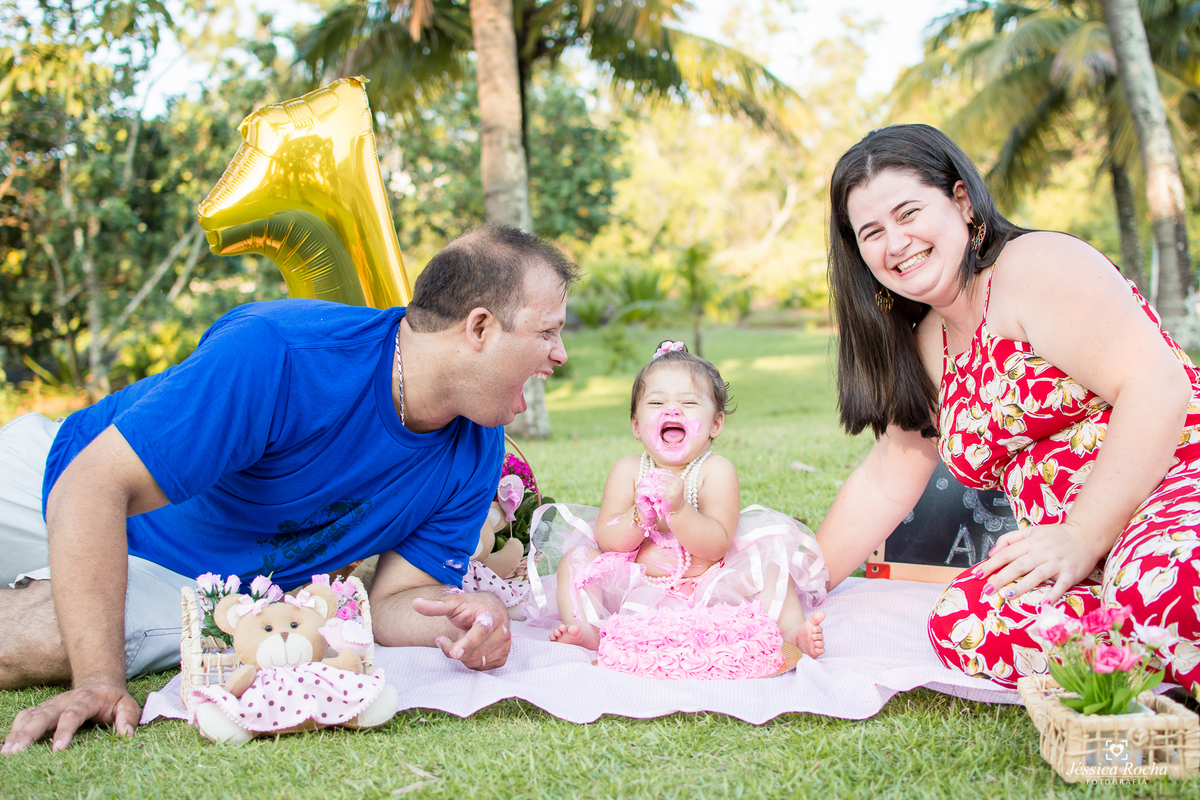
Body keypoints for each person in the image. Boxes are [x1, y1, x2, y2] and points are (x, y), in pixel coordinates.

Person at [0, 223, 577, 753]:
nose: (560, 354)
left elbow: (394, 604)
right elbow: (92, 485)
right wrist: (98, 683)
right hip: (52, 476)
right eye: (547, 332)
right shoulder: (282, 351)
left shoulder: (476, 449)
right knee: (91, 650)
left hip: (183, 579)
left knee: (60, 639)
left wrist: (464, 618)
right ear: (478, 327)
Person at [817, 123, 1200, 691]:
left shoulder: (1035, 266)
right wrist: (797, 584)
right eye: (870, 232)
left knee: (1165, 581)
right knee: (966, 621)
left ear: (962, 202)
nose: (894, 243)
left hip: (1169, 490)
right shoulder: (927, 347)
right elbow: (885, 481)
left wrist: (1082, 535)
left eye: (908, 213)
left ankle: (1153, 624)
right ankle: (1152, 648)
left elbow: (1159, 387)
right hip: (1075, 555)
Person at [547, 342, 827, 658]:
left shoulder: (715, 471)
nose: (672, 410)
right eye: (656, 402)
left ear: (715, 424)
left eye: (689, 403)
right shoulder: (628, 470)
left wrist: (679, 510)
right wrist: (641, 513)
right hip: (636, 582)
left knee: (770, 562)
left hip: (709, 583)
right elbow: (608, 539)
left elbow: (717, 544)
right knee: (576, 560)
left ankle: (791, 630)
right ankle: (588, 628)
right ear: (636, 426)